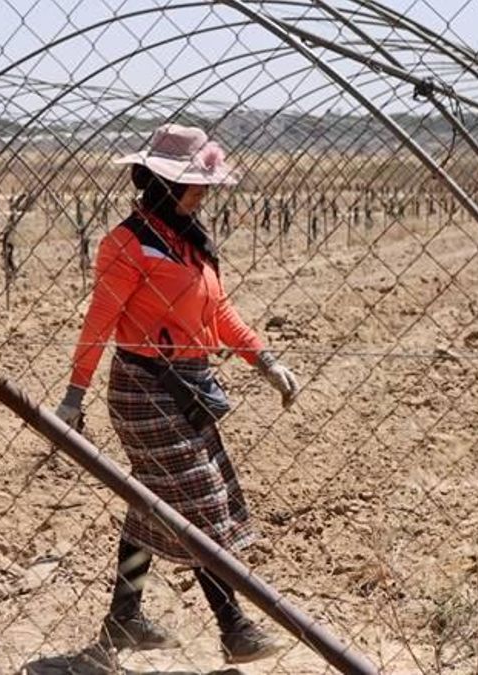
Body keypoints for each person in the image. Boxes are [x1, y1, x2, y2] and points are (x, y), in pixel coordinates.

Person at [55, 124, 300, 664]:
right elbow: (100, 320)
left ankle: (124, 618)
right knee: (200, 503)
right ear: (167, 184)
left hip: (189, 386)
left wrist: (265, 360)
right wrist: (75, 394)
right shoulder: (128, 244)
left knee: (154, 502)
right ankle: (234, 627)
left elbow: (220, 313)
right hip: (144, 388)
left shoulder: (188, 242)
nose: (204, 193)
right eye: (196, 184)